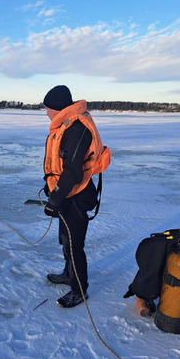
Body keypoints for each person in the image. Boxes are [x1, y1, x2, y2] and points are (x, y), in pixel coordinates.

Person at [42, 85, 111, 308]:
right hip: (66, 193)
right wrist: (51, 187)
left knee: (74, 244)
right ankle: (68, 273)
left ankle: (79, 289)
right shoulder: (65, 125)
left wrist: (55, 199)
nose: (46, 113)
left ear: (57, 108)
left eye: (48, 108)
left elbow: (72, 171)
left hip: (77, 195)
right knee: (65, 238)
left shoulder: (76, 129)